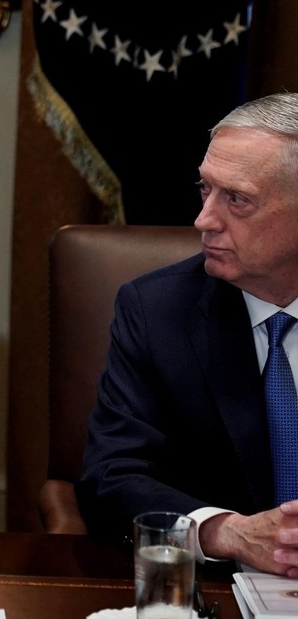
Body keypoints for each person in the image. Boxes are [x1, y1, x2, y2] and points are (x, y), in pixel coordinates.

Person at [79, 92, 298, 574]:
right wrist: (227, 533)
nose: (204, 220)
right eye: (206, 189)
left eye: (237, 199)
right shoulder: (158, 311)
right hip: (219, 588)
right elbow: (112, 477)